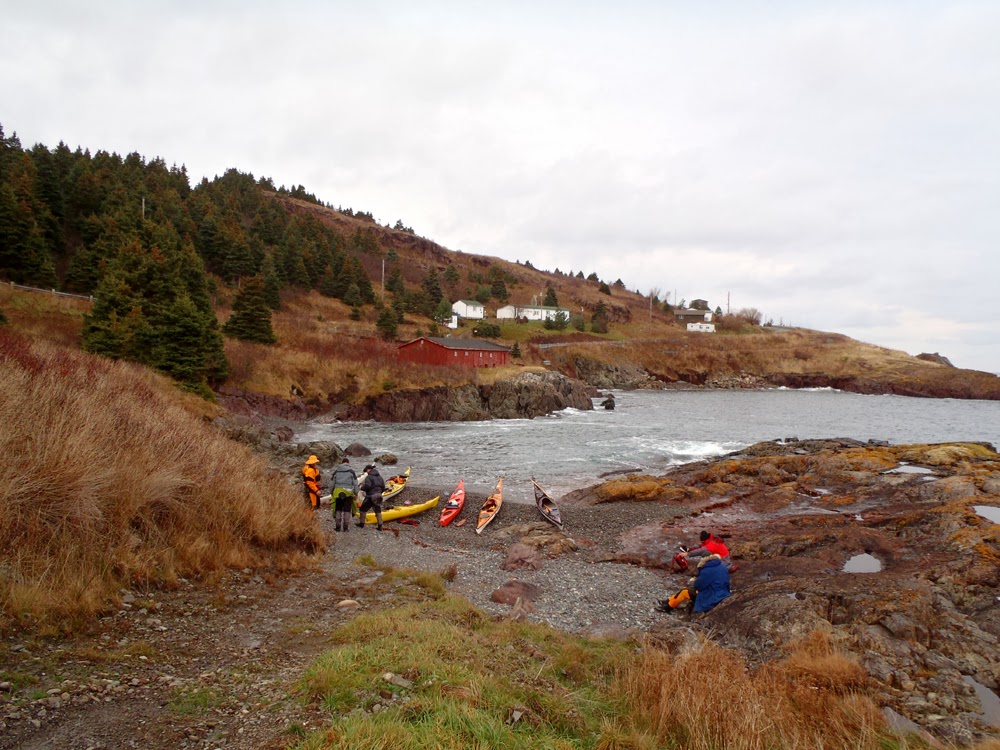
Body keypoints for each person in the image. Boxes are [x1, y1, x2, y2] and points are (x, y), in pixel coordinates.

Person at [658, 554, 731, 614]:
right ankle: (669, 601)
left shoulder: (708, 570)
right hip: (722, 591)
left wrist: (695, 580)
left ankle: (668, 607)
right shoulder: (721, 566)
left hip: (713, 595)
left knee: (685, 592)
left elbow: (698, 586)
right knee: (687, 590)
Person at [330, 457, 359, 532]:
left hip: (338, 493)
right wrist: (356, 493)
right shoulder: (351, 472)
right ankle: (345, 528)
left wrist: (331, 492)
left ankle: (338, 527)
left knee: (338, 509)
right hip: (348, 493)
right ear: (348, 463)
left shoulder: (336, 472)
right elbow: (355, 484)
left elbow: (331, 484)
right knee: (347, 510)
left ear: (342, 463)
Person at [357, 464, 386, 530]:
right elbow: (383, 487)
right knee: (378, 510)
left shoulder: (369, 477)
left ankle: (361, 524)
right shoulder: (380, 477)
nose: (366, 472)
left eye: (366, 471)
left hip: (371, 496)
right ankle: (380, 526)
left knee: (363, 509)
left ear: (369, 469)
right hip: (379, 495)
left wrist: (362, 488)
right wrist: (379, 493)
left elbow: (368, 486)